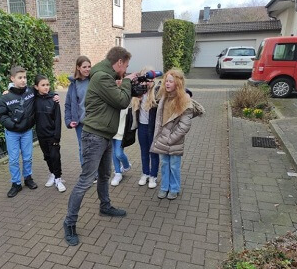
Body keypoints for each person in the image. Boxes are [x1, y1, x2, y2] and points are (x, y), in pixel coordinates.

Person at [63, 46, 137, 246]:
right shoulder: (102, 77)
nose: (126, 69)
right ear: (119, 62)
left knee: (105, 175)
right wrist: (129, 80)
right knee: (86, 181)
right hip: (94, 137)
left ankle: (105, 206)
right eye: (126, 65)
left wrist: (126, 83)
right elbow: (122, 101)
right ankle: (69, 223)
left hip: (104, 135)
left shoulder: (105, 75)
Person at [150, 68, 204, 200]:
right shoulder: (163, 97)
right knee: (164, 164)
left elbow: (184, 126)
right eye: (166, 81)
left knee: (174, 166)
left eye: (170, 81)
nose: (167, 84)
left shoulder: (185, 101)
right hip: (163, 138)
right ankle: (164, 187)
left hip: (174, 140)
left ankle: (174, 188)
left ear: (178, 84)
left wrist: (171, 139)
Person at [0, 66, 38, 198]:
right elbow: (0, 115)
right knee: (13, 159)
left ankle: (28, 178)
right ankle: (16, 184)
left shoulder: (31, 92)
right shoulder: (5, 98)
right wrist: (12, 125)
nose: (23, 80)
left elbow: (43, 90)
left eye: (25, 77)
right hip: (12, 134)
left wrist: (54, 97)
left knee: (27, 157)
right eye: (20, 78)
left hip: (27, 132)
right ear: (12, 79)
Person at [33, 74, 66, 192]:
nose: (46, 87)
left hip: (52, 135)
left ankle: (58, 178)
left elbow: (58, 119)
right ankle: (52, 174)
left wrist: (57, 136)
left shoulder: (53, 100)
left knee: (55, 156)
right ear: (36, 87)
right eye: (43, 85)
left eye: (47, 85)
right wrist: (8, 91)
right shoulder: (33, 99)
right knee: (47, 156)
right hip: (41, 135)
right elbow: (22, 91)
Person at [131, 67, 159, 189]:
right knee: (144, 152)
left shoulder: (157, 91)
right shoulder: (138, 92)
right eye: (144, 79)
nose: (146, 82)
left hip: (153, 128)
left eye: (148, 79)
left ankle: (153, 175)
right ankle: (145, 173)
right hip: (141, 126)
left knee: (153, 152)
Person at [64, 56, 91, 166]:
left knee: (94, 149)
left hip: (93, 122)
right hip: (80, 123)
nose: (87, 69)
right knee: (83, 149)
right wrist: (68, 120)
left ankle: (95, 173)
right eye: (84, 67)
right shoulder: (73, 84)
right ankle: (85, 173)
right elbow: (68, 105)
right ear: (78, 68)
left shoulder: (93, 80)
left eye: (89, 66)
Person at [110, 106, 132, 186]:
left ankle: (126, 165)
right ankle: (117, 173)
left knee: (118, 153)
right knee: (113, 152)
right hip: (110, 131)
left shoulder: (124, 100)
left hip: (121, 132)